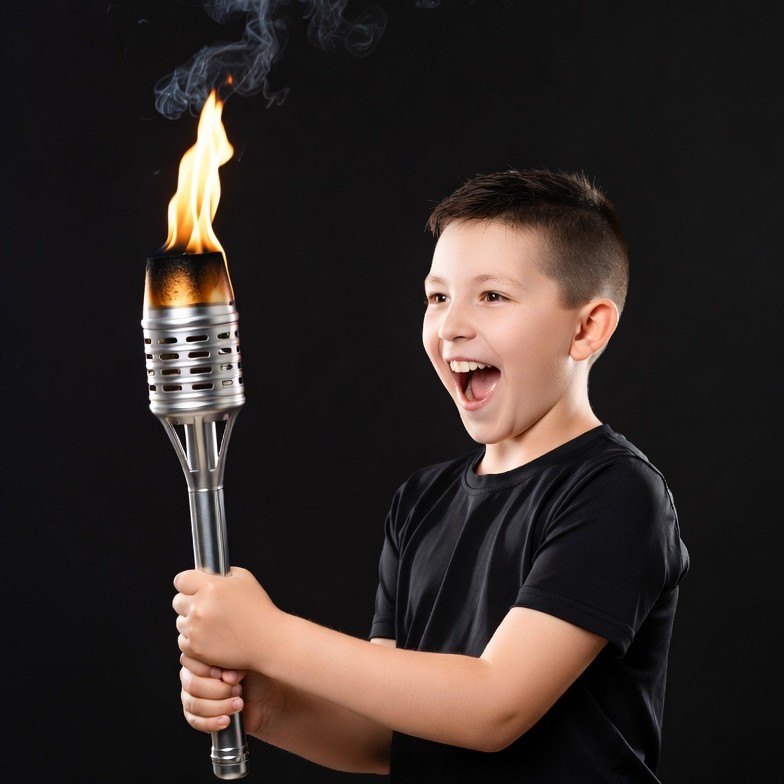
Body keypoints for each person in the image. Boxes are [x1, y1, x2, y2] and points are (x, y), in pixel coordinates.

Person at [172, 168, 690, 782]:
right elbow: (391, 730)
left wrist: (269, 638)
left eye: (492, 296)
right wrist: (268, 706)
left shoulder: (616, 494)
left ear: (586, 328)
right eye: (438, 297)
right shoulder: (421, 502)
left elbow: (494, 706)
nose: (451, 327)